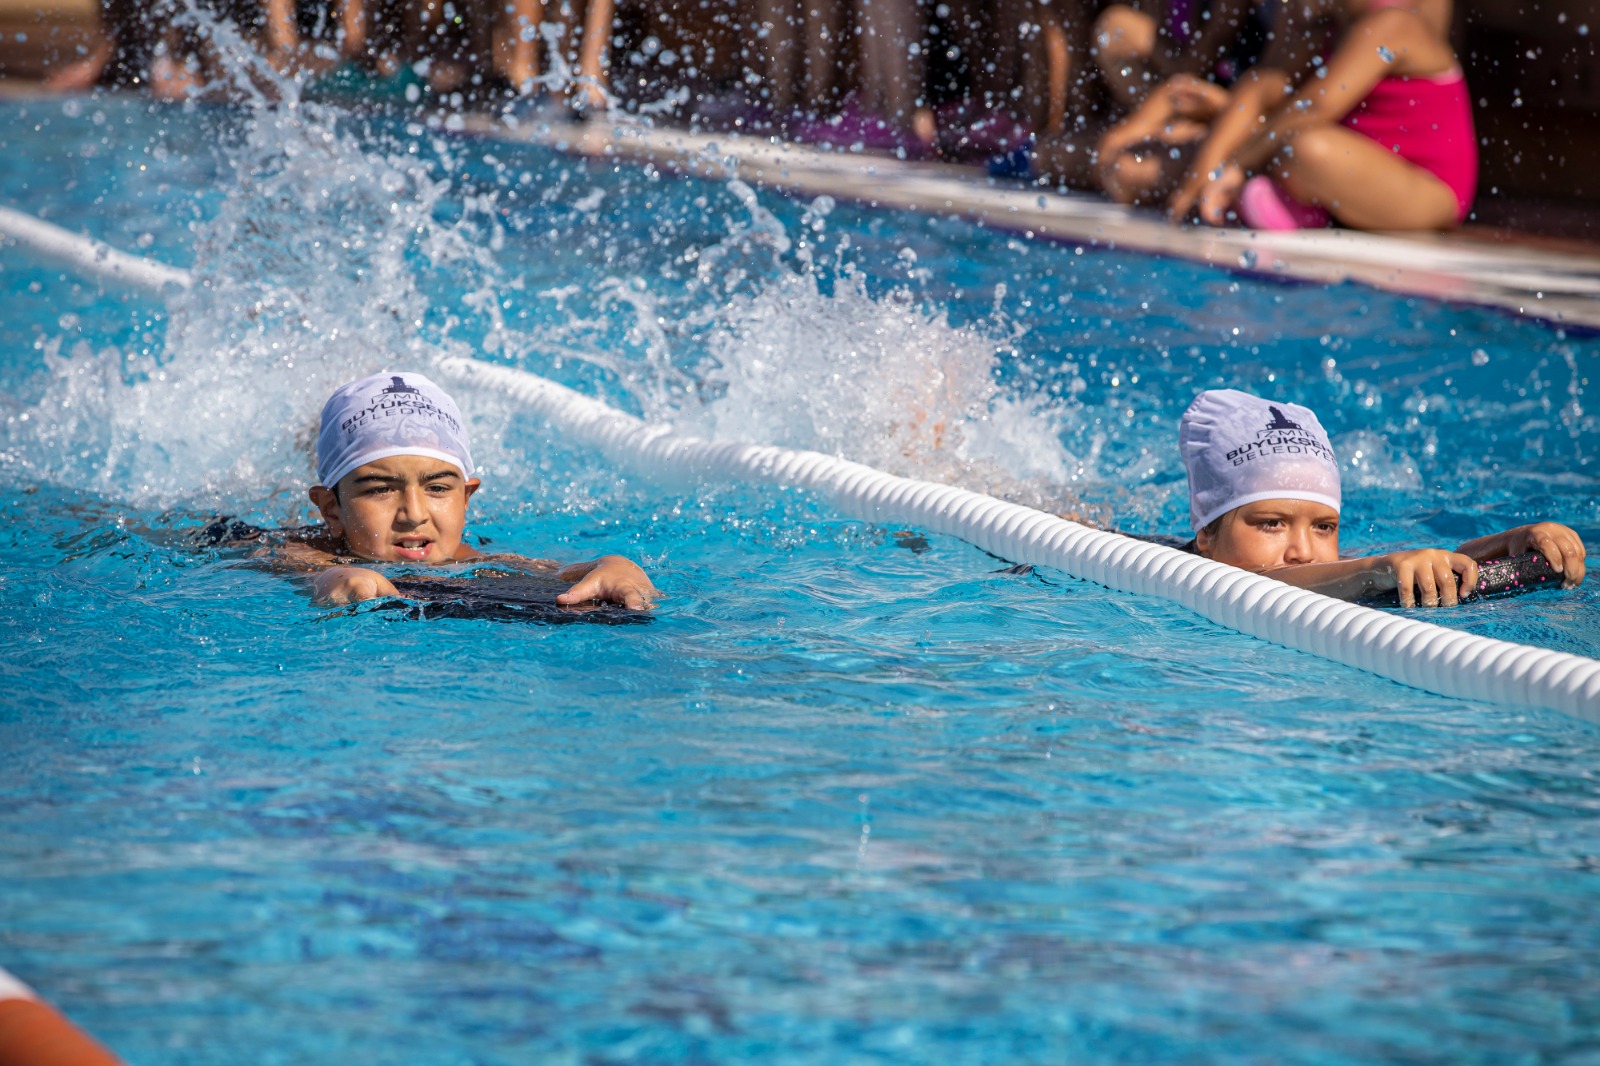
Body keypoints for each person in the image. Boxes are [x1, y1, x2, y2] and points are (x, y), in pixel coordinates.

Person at [281, 370, 657, 608]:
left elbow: (561, 573)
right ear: (331, 509)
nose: (413, 513)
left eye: (438, 488)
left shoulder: (476, 563)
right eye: (381, 489)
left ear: (466, 496)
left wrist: (613, 565)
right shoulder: (304, 551)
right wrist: (327, 578)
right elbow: (302, 567)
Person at [1178, 389, 1586, 607]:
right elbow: (1264, 582)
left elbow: (1425, 564)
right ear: (1207, 535)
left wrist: (1507, 544)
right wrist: (1376, 571)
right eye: (1271, 523)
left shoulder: (1340, 568)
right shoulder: (1174, 575)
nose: (1303, 552)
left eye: (1324, 527)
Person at [1167, 0, 1474, 230]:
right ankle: (1298, 207)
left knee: (1303, 147)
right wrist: (1224, 111)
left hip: (1433, 191)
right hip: (1357, 166)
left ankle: (1300, 207)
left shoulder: (1393, 25)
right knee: (1282, 136)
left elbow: (1316, 107)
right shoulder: (1334, 31)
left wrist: (1234, 164)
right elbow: (1270, 92)